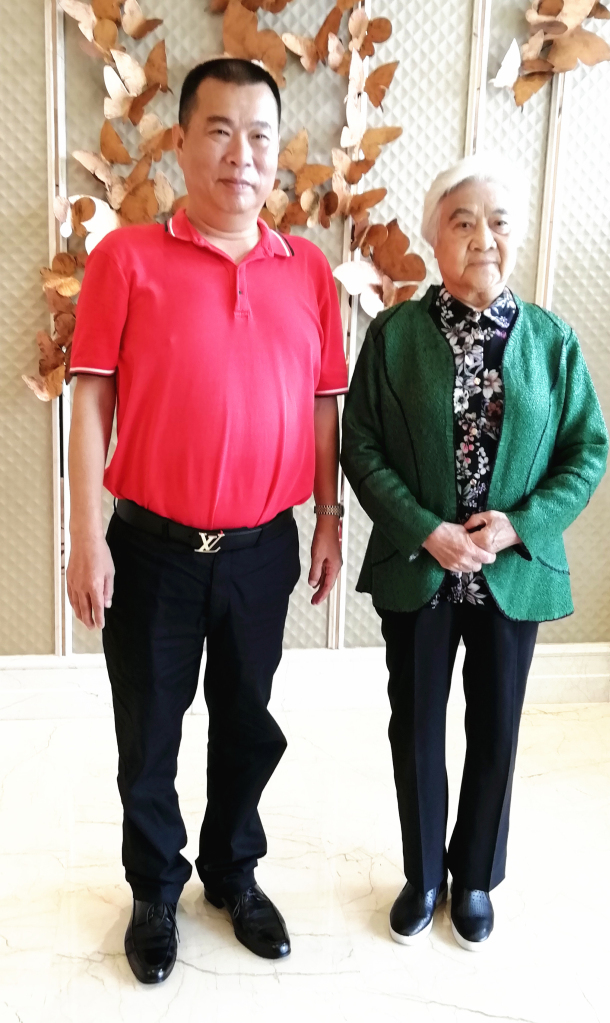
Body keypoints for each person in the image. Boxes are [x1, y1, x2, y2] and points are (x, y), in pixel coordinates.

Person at [66, 58, 348, 984]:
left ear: (279, 153)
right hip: (152, 549)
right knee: (150, 730)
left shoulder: (308, 270)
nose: (241, 154)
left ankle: (233, 871)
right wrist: (84, 536)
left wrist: (328, 517)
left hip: (263, 550)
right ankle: (154, 888)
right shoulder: (125, 259)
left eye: (260, 135)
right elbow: (90, 402)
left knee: (246, 719)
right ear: (181, 143)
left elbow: (324, 406)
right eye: (219, 131)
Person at [341, 153, 608, 951]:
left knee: (496, 729)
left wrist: (520, 524)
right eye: (462, 222)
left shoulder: (553, 342)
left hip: (510, 572)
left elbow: (586, 451)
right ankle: (424, 873)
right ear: (433, 237)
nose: (482, 238)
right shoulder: (393, 336)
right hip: (421, 564)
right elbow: (362, 446)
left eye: (497, 222)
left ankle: (476, 878)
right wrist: (427, 527)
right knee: (416, 726)